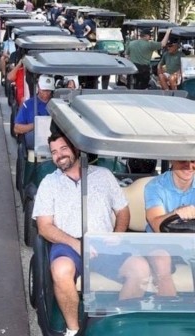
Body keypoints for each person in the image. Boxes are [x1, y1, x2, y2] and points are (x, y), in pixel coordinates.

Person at [33, 133, 151, 336]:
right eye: (54, 152)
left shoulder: (104, 175)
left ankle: (115, 322)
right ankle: (73, 328)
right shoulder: (49, 183)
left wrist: (117, 235)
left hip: (103, 241)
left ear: (76, 149)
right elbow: (44, 226)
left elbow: (123, 211)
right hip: (68, 243)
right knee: (61, 270)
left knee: (140, 268)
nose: (59, 155)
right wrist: (75, 244)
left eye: (63, 149)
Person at [144, 160, 195, 296]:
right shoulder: (155, 186)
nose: (189, 167)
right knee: (161, 259)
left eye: (193, 161)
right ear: (173, 160)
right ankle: (168, 306)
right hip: (161, 243)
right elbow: (156, 224)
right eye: (183, 161)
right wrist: (176, 213)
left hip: (191, 243)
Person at [14, 75, 54, 149]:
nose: (46, 93)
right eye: (43, 90)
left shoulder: (56, 105)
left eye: (48, 90)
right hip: (36, 141)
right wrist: (36, 125)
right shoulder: (28, 105)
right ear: (38, 87)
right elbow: (17, 128)